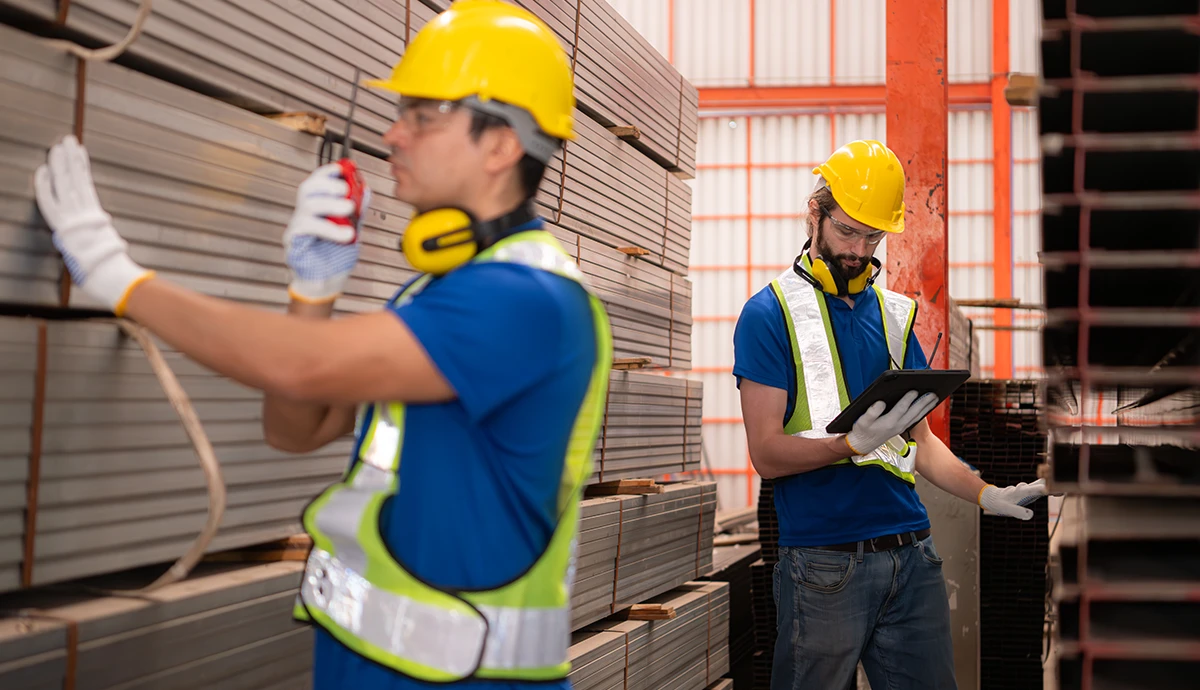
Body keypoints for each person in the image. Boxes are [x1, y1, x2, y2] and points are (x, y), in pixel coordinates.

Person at [33, 1, 612, 688]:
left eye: (422, 116)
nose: (393, 134)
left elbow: (299, 368)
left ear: (501, 143)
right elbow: (294, 427)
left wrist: (115, 273)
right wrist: (314, 292)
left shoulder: (525, 300)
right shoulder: (441, 293)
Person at [733, 139, 1046, 690]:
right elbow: (765, 454)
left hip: (912, 554)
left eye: (873, 236)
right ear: (816, 213)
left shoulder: (896, 316)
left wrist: (985, 493)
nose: (858, 250)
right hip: (824, 564)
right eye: (847, 231)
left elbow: (920, 442)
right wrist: (845, 446)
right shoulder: (768, 315)